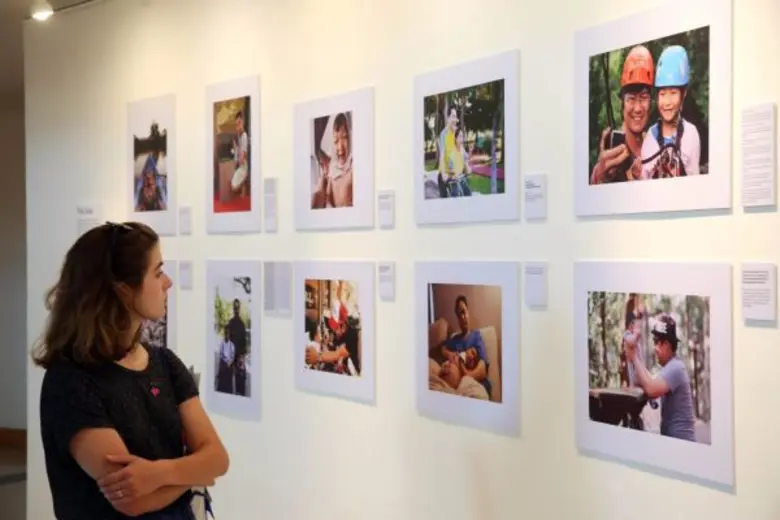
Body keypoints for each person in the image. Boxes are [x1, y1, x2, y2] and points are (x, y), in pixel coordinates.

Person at [33, 221, 230, 519]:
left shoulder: (165, 362)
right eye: (158, 272)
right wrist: (193, 473)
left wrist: (158, 473)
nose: (168, 283)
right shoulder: (70, 381)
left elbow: (217, 458)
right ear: (124, 291)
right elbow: (133, 501)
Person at [624, 313, 697, 442]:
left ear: (667, 344)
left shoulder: (676, 368)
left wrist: (634, 357)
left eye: (658, 342)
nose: (655, 348)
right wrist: (635, 355)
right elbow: (649, 380)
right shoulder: (671, 367)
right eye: (655, 342)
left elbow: (651, 389)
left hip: (681, 443)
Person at [590, 45, 654, 184]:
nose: (638, 108)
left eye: (643, 98)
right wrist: (599, 177)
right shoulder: (613, 150)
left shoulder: (653, 143)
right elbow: (597, 176)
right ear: (622, 104)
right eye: (631, 99)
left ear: (651, 102)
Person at [640, 45, 701, 179]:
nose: (667, 102)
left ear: (683, 94)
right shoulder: (651, 137)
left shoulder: (690, 134)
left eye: (673, 93)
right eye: (662, 94)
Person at [440, 295, 491, 397]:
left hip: (476, 384)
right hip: (456, 388)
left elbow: (483, 369)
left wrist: (466, 375)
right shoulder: (455, 339)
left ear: (468, 312)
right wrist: (449, 354)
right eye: (459, 315)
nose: (462, 317)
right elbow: (442, 348)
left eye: (464, 312)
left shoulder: (476, 335)